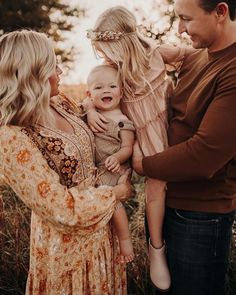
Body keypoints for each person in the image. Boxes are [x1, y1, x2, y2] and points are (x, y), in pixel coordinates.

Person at [0, 30, 133, 295]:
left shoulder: (59, 103)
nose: (60, 69)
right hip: (67, 250)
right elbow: (61, 208)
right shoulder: (11, 137)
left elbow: (89, 103)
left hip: (104, 234)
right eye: (52, 64)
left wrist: (93, 109)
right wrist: (117, 193)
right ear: (33, 72)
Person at [132, 0, 236, 294]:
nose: (179, 29)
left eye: (186, 19)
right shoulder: (198, 57)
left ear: (220, 12)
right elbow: (163, 53)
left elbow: (204, 156)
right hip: (169, 203)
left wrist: (143, 165)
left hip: (201, 218)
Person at [86, 5, 189, 291]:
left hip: (168, 129)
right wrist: (89, 109)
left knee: (168, 184)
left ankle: (163, 242)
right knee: (150, 187)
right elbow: (92, 88)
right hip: (136, 139)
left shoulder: (156, 54)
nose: (105, 57)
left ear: (123, 44)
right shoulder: (113, 71)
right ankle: (156, 248)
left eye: (107, 49)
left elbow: (191, 56)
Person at [85, 64, 135, 263]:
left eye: (112, 86)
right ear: (89, 94)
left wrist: (118, 158)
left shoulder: (122, 121)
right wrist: (89, 109)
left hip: (112, 168)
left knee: (112, 202)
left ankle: (125, 242)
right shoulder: (91, 113)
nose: (106, 90)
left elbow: (128, 147)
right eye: (98, 88)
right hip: (94, 169)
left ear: (121, 92)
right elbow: (84, 103)